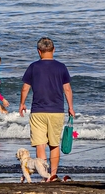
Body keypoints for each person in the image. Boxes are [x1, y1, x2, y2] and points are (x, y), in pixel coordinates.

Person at [19, 37, 74, 182]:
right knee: (54, 144)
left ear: (39, 51)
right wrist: (71, 107)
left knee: (40, 144)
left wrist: (22, 104)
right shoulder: (61, 67)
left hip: (38, 111)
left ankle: (45, 175)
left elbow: (25, 88)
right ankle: (53, 174)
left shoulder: (33, 67)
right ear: (53, 50)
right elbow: (67, 89)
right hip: (56, 110)